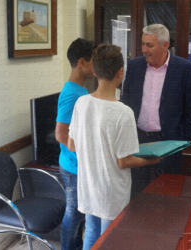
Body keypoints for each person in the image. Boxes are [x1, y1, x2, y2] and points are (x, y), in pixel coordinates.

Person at [67, 44, 162, 250]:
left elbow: (71, 145)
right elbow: (124, 160)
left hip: (89, 185)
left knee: (91, 233)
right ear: (121, 73)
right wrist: (152, 159)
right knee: (111, 239)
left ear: (94, 71)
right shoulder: (123, 112)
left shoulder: (81, 103)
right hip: (111, 191)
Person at [121, 24, 191, 199]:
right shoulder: (134, 66)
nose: (144, 50)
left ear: (165, 45)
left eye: (149, 45)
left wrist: (182, 139)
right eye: (143, 44)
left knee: (167, 193)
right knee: (136, 192)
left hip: (169, 142)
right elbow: (125, 100)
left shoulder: (185, 69)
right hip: (138, 140)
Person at [55, 38, 96, 250]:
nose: (97, 65)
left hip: (77, 164)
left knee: (79, 214)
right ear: (82, 62)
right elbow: (61, 134)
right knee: (74, 214)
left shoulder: (80, 90)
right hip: (73, 167)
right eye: (94, 60)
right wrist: (86, 151)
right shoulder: (71, 93)